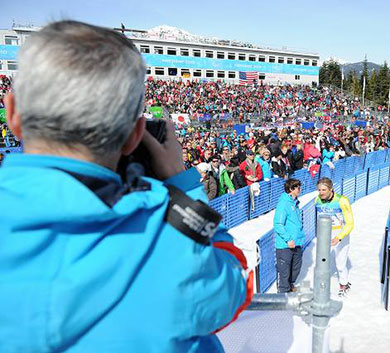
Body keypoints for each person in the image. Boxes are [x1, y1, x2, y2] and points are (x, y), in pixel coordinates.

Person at [0, 21, 252, 352]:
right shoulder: (171, 241)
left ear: (13, 112)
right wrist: (183, 187)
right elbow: (236, 285)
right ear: (135, 134)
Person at [315, 177, 354, 297]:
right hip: (325, 234)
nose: (321, 193)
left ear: (331, 189)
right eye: (319, 190)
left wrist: (339, 237)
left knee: (340, 262)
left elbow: (350, 223)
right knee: (322, 262)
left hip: (340, 234)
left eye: (324, 190)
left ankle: (344, 284)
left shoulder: (342, 200)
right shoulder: (317, 200)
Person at [273, 178, 305, 293]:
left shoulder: (295, 202)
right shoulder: (284, 204)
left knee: (295, 268)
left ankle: (290, 286)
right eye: (298, 187)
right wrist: (288, 239)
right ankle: (283, 294)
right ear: (291, 189)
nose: (300, 189)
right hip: (285, 245)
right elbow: (278, 224)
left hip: (297, 242)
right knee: (284, 271)